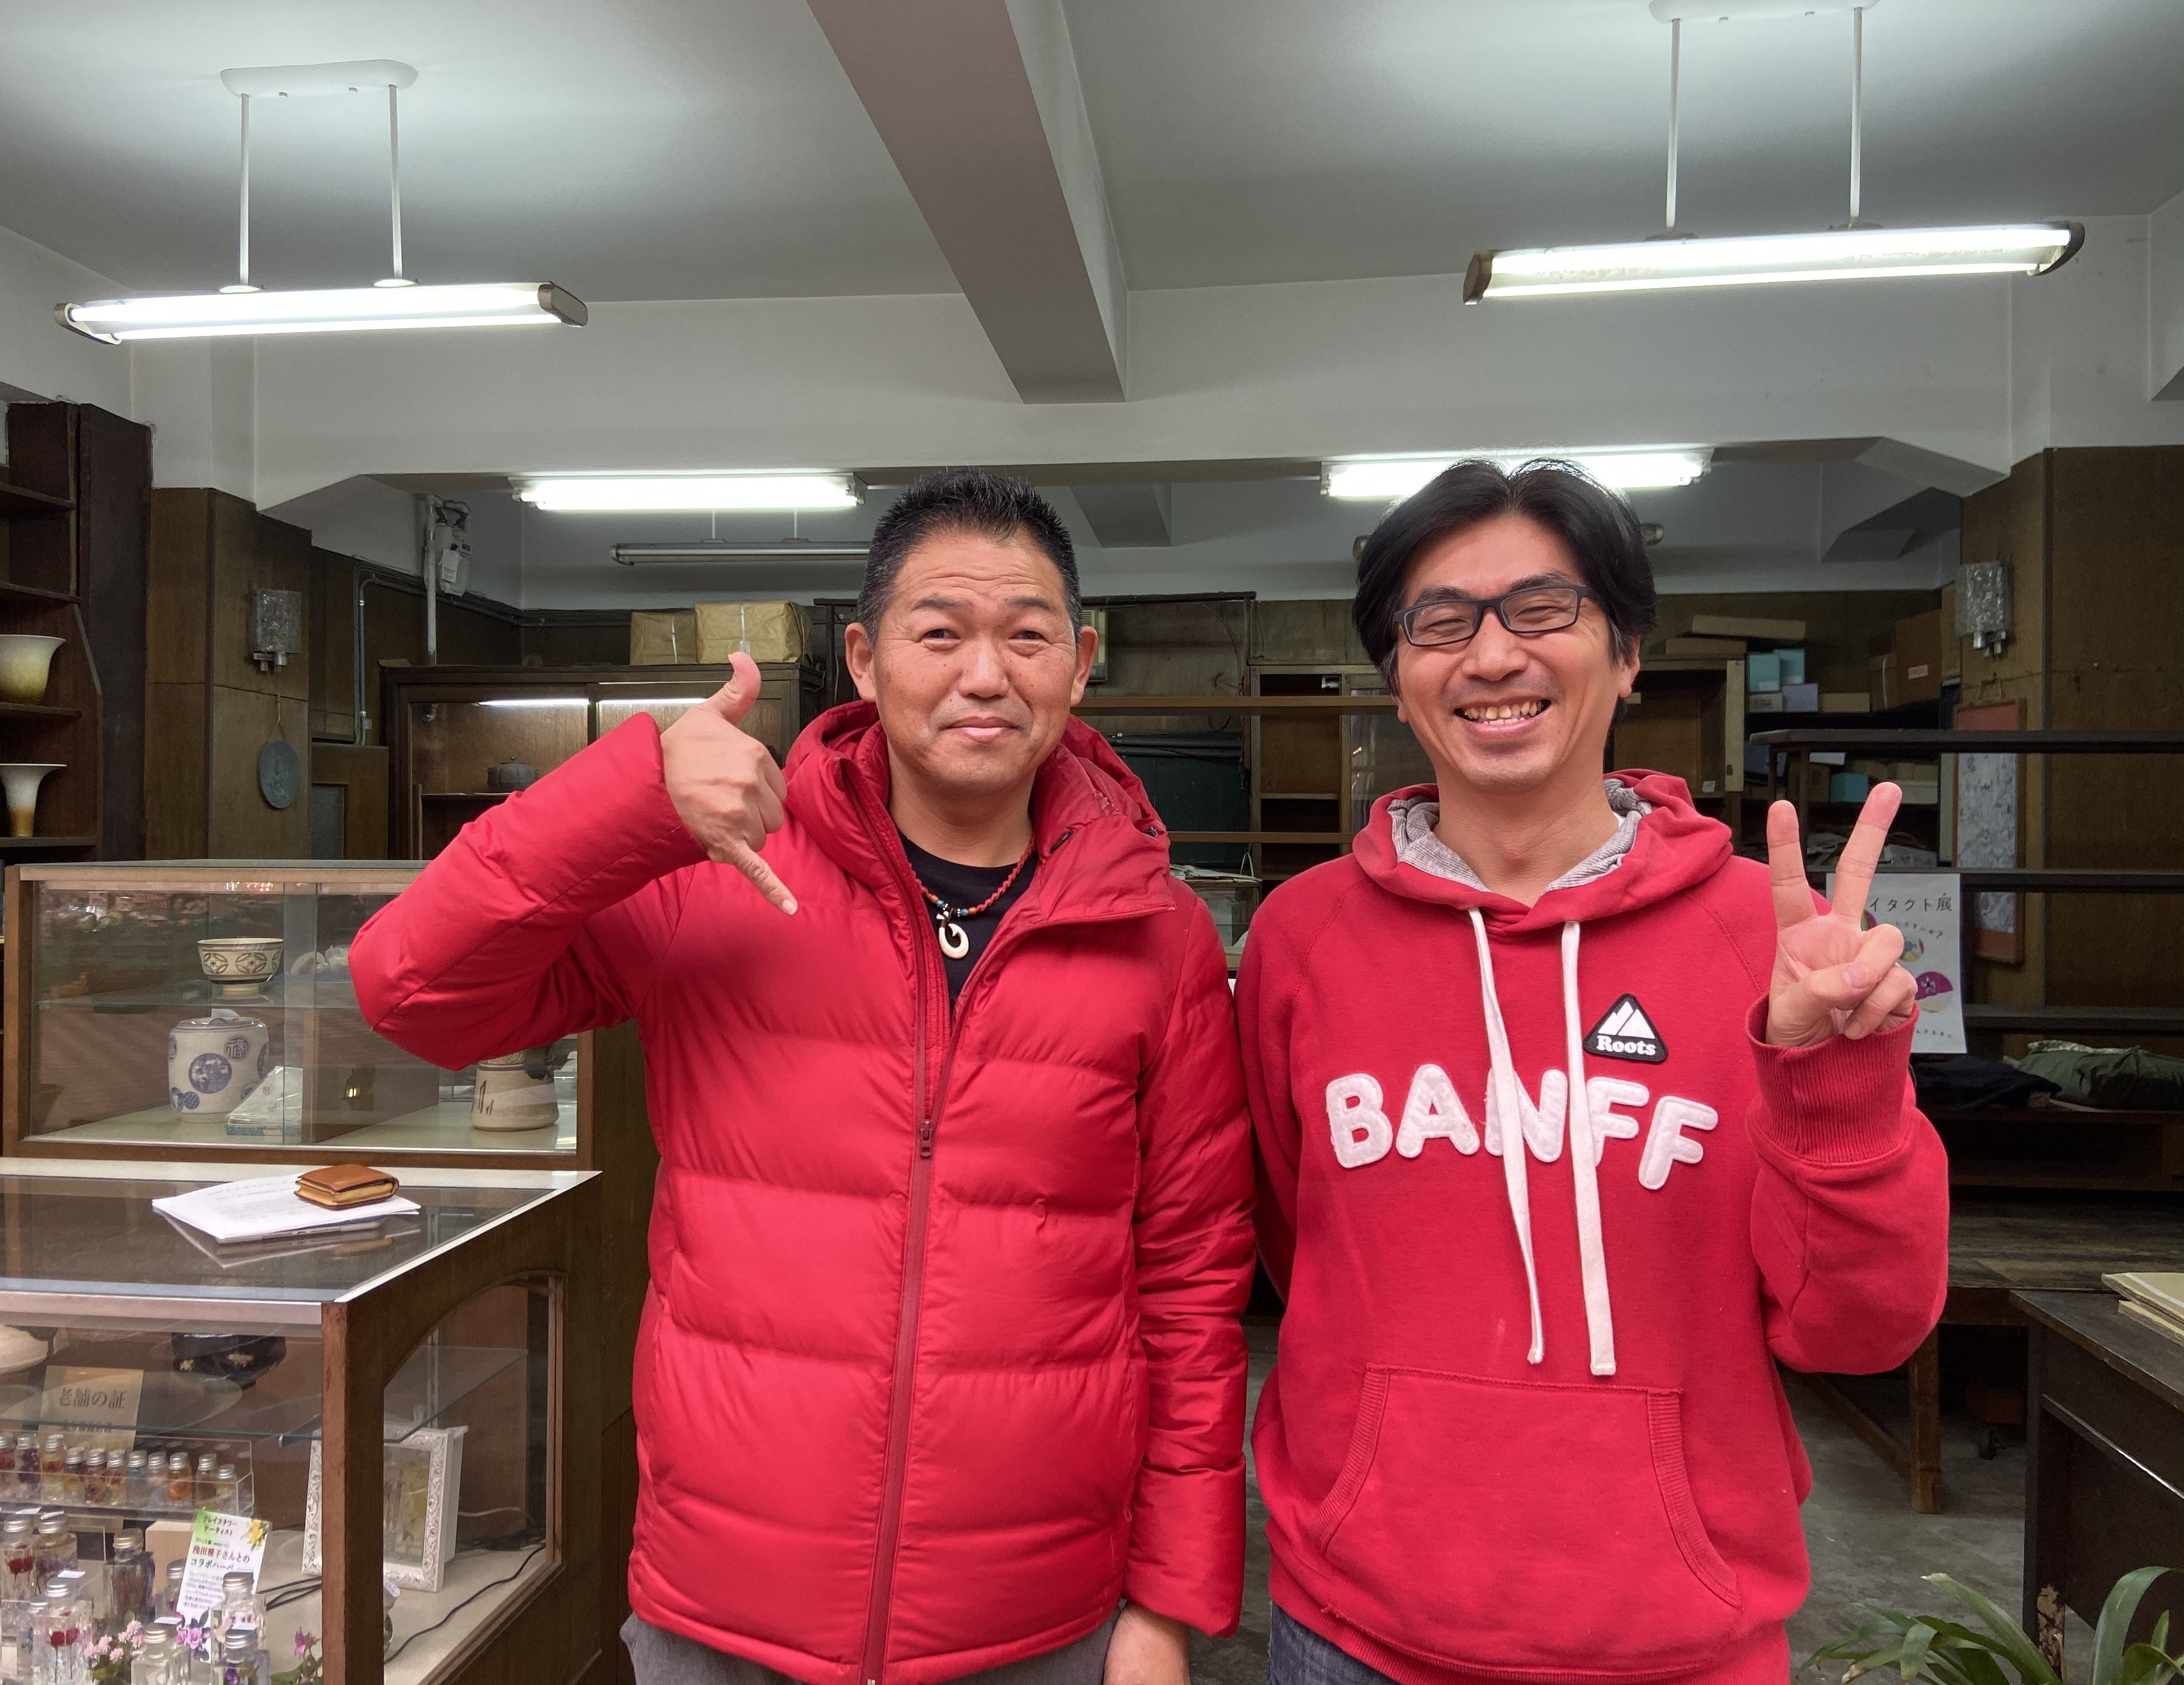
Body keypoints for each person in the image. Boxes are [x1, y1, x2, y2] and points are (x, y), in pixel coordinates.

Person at [350, 469, 1252, 1685]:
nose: (986, 674)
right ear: (865, 662)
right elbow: (410, 991)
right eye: (941, 634)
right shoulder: (717, 875)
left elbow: (1192, 1286)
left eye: (1028, 637)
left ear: (1080, 665)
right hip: (727, 1611)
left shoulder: (1159, 934)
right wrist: (628, 794)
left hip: (1041, 1619)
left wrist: (1168, 1606)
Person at [1239, 460, 1948, 1684]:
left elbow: (1860, 1333)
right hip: (1354, 1628)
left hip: (1678, 1638)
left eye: (1543, 609)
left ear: (1628, 654)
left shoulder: (1768, 942)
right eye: (1441, 623)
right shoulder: (1302, 936)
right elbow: (1293, 1245)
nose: (1492, 656)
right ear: (1398, 677)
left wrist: (1835, 1086)